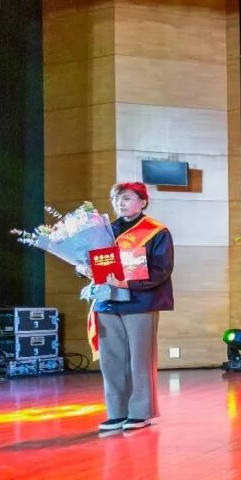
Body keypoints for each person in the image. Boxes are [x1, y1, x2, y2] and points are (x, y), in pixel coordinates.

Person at [92, 182, 174, 432]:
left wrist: (127, 283)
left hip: (140, 301)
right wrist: (83, 268)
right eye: (116, 198)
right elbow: (94, 261)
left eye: (127, 198)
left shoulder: (157, 232)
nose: (120, 203)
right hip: (107, 301)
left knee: (140, 360)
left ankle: (140, 412)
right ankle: (117, 412)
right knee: (111, 361)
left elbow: (162, 270)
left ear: (143, 202)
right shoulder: (105, 231)